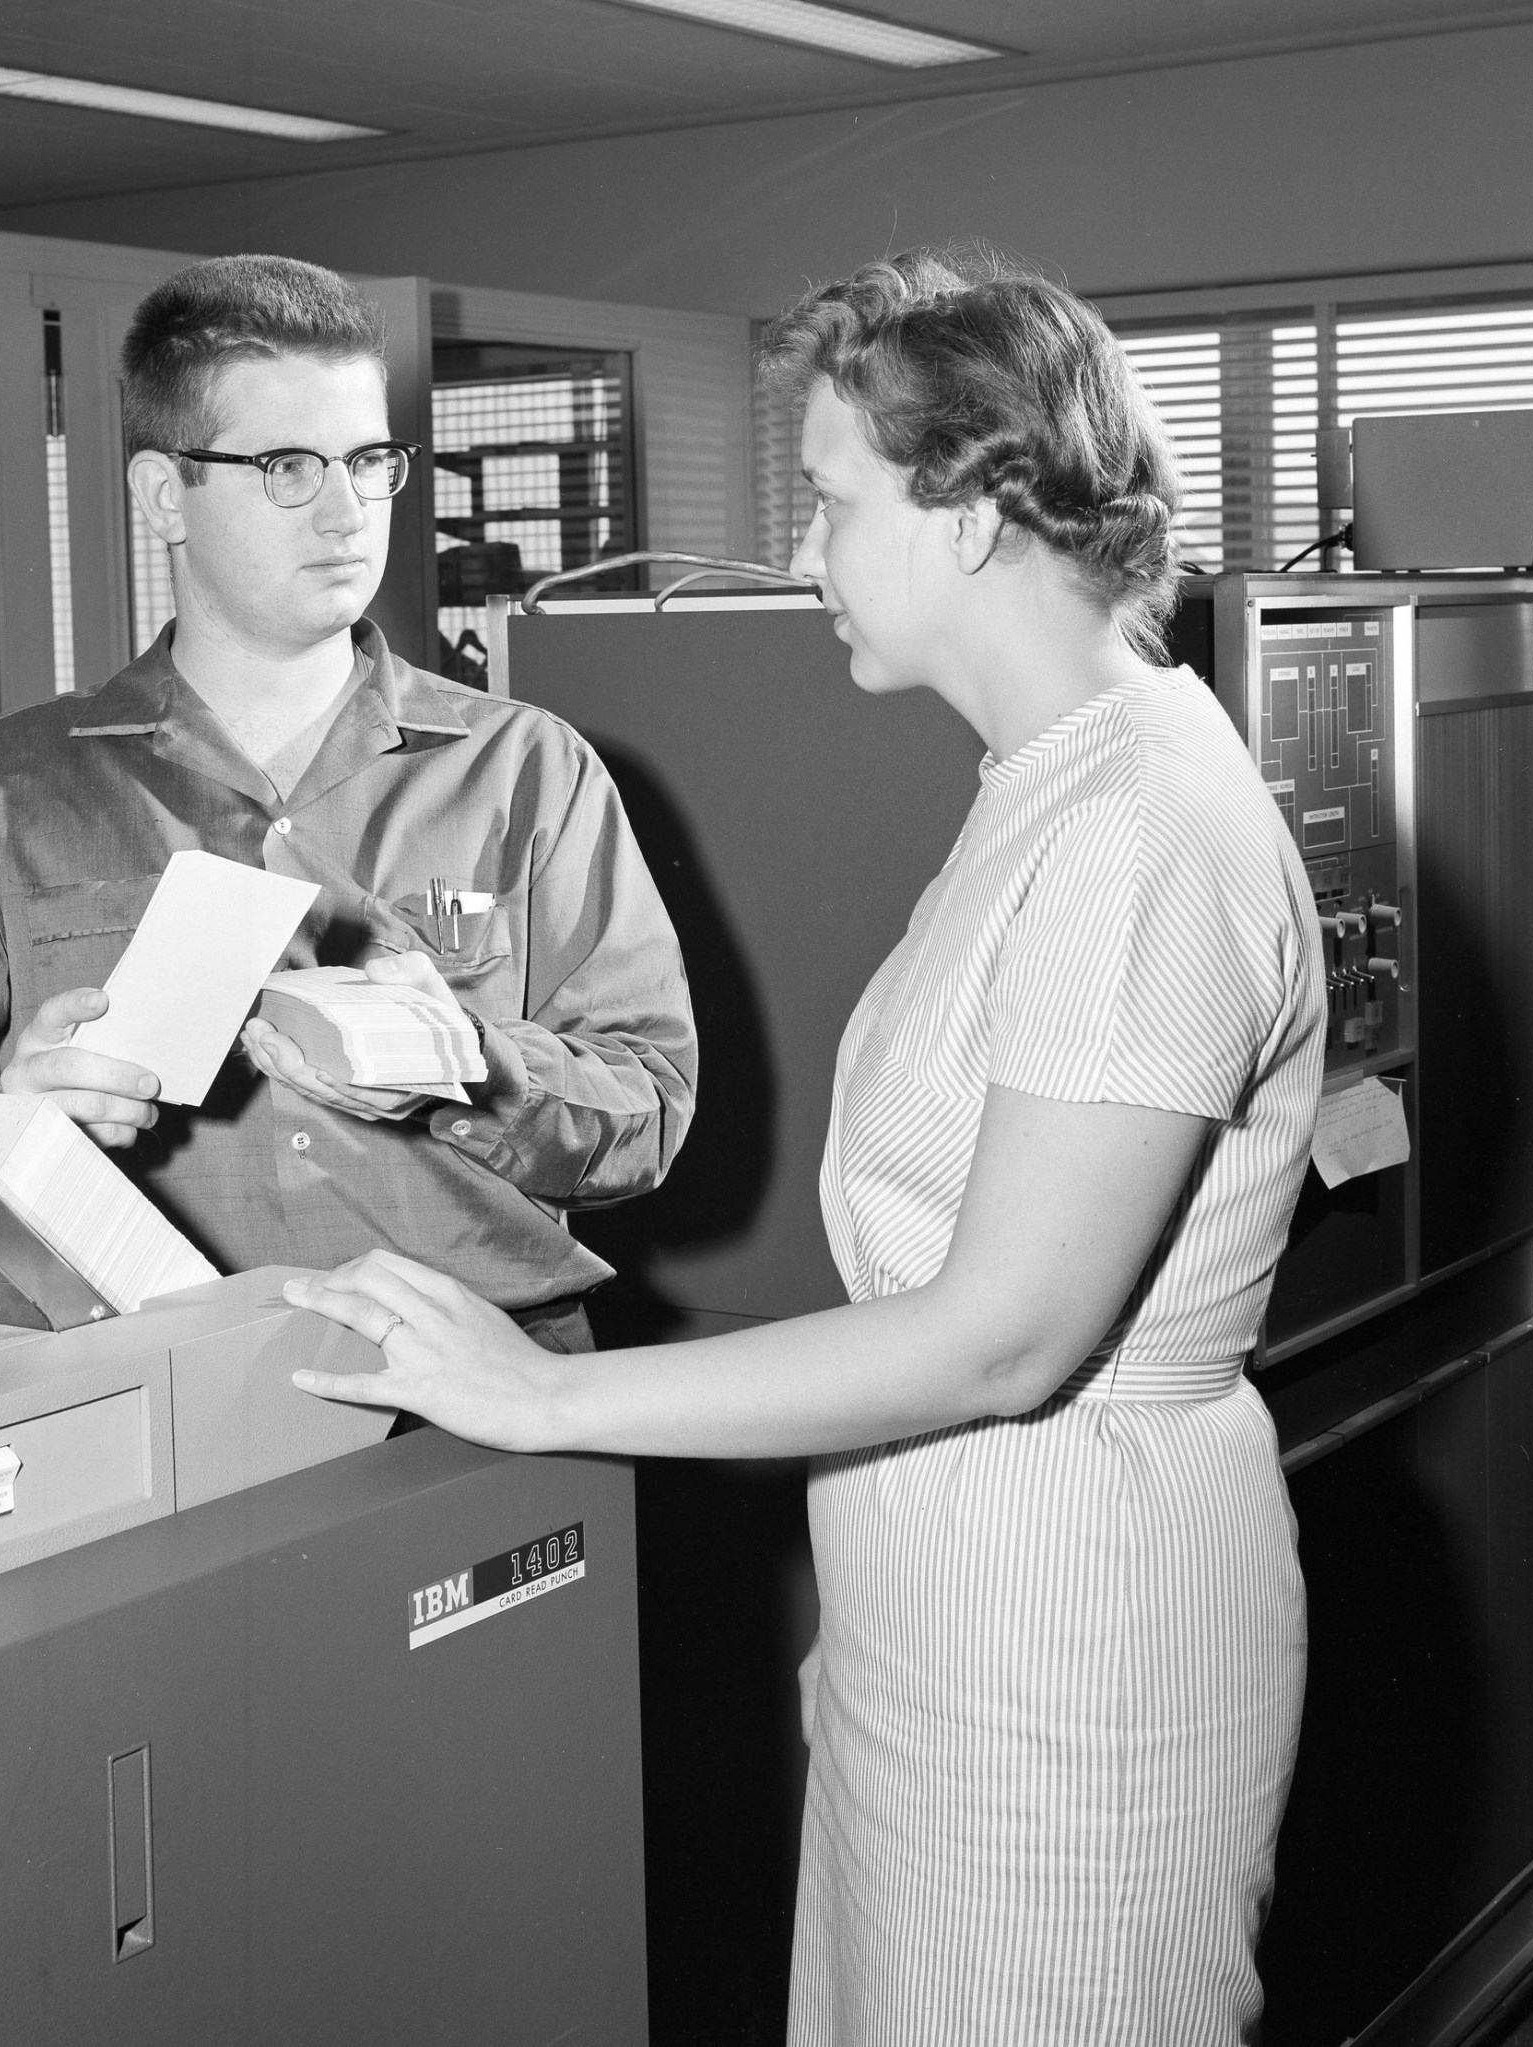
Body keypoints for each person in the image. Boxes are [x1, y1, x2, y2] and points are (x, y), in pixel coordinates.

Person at [282, 249, 1323, 2044]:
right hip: (959, 1610)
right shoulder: (1054, 782)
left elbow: (1000, 1333)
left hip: (1078, 1638)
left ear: (982, 508)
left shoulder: (1138, 821)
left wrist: (544, 1400)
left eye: (834, 506)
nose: (809, 555)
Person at [0, 255, 696, 1349]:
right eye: (286, 466)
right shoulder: (7, 788)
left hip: (489, 1380)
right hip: (146, 1384)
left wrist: (462, 1070)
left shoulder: (523, 770)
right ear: (166, 495)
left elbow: (646, 1105)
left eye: (368, 460)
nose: (347, 510)